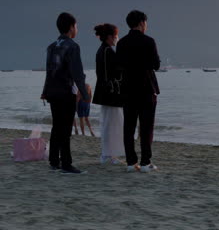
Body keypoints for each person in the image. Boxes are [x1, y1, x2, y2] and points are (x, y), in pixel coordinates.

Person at [41, 12, 89, 174]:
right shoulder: (73, 46)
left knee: (57, 126)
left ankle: (54, 161)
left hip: (53, 92)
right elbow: (77, 73)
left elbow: (49, 71)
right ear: (71, 27)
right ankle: (66, 164)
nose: (76, 29)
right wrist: (85, 93)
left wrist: (44, 91)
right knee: (66, 129)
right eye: (76, 26)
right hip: (66, 91)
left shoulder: (51, 46)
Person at [117, 10, 161, 173]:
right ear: (142, 23)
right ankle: (145, 162)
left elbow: (119, 65)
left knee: (129, 127)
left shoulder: (121, 43)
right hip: (146, 89)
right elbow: (156, 65)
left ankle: (130, 162)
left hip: (128, 89)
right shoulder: (149, 41)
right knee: (146, 127)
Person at [92, 23, 125, 164]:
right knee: (112, 123)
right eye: (116, 36)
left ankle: (109, 154)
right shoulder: (107, 51)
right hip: (110, 92)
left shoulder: (102, 50)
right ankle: (108, 154)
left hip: (105, 91)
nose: (117, 38)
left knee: (109, 122)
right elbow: (115, 72)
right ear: (110, 36)